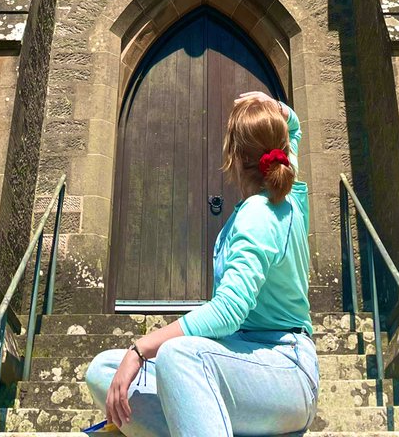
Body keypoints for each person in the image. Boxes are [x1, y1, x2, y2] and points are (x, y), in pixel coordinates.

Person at [86, 90, 318, 437]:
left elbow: (228, 312)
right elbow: (295, 130)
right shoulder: (292, 196)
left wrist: (141, 348)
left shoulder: (258, 214)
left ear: (234, 156)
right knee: (104, 369)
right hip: (240, 368)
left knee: (178, 356)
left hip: (284, 370)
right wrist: (277, 109)